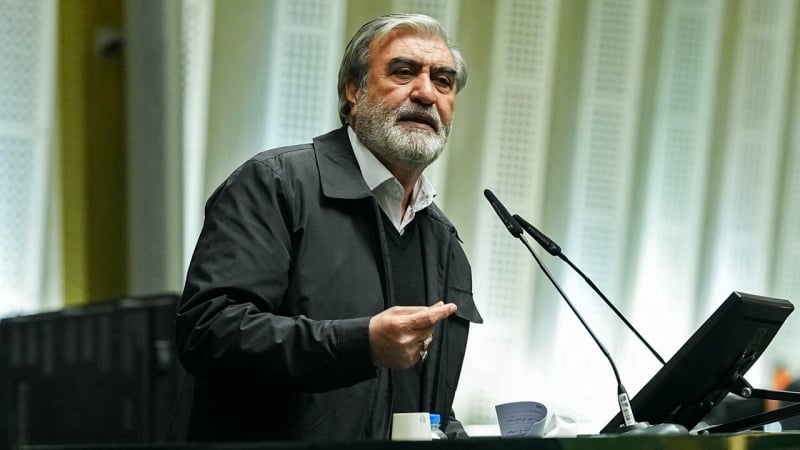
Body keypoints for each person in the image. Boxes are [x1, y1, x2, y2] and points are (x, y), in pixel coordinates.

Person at [173, 13, 483, 442]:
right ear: (354, 91)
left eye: (443, 81)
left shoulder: (444, 244)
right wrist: (361, 344)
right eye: (404, 72)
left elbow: (427, 409)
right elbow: (209, 332)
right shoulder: (276, 185)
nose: (426, 93)